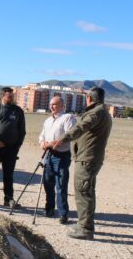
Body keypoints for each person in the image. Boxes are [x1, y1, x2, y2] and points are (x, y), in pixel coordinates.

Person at [52, 87, 112, 240]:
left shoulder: (96, 112)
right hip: (89, 158)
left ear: (90, 98)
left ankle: (85, 229)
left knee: (83, 192)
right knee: (87, 191)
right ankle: (84, 224)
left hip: (87, 159)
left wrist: (62, 139)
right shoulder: (102, 111)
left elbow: (80, 127)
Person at [39, 96, 76, 224]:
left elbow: (69, 135)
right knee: (48, 183)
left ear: (62, 105)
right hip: (48, 154)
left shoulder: (68, 118)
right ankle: (49, 208)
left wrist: (55, 143)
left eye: (54, 104)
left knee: (61, 185)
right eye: (50, 104)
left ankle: (63, 213)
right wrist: (43, 142)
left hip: (61, 155)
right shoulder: (48, 120)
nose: (51, 107)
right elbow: (42, 135)